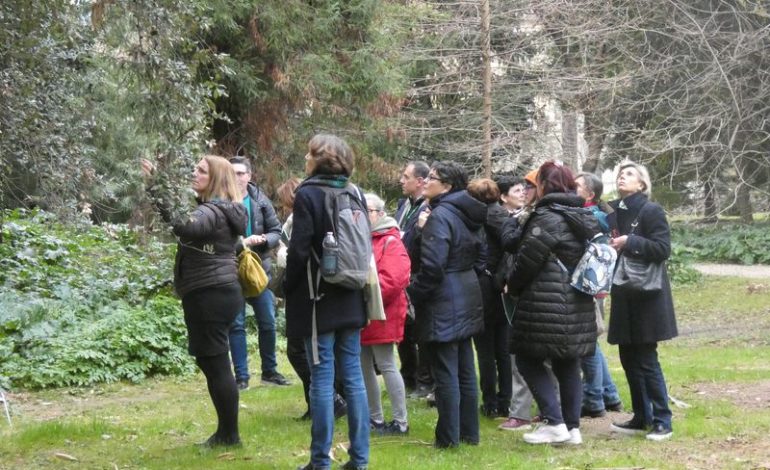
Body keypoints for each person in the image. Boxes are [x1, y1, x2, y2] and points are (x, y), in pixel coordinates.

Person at [141, 155, 246, 447]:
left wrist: (156, 187)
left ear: (215, 179)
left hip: (209, 294)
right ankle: (227, 432)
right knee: (212, 361)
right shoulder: (222, 210)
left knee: (216, 364)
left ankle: (229, 435)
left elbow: (184, 226)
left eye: (201, 170)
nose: (194, 173)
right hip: (218, 291)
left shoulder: (212, 211)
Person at [284, 134, 369, 470]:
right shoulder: (354, 191)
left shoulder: (308, 193)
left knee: (321, 378)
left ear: (319, 158)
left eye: (309, 152)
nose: (305, 156)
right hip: (351, 295)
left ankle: (320, 461)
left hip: (318, 298)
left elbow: (300, 249)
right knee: (353, 377)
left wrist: (286, 286)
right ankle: (359, 460)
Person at [506, 161, 599, 445]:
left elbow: (528, 261)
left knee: (527, 358)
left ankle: (554, 421)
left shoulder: (547, 216)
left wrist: (513, 285)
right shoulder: (580, 214)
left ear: (546, 185)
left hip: (545, 301)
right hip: (577, 301)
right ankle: (572, 428)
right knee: (567, 363)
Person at [406, 161, 485, 449]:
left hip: (444, 298)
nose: (425, 181)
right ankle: (468, 433)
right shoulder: (467, 213)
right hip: (466, 291)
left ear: (448, 186)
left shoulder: (441, 216)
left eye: (432, 178)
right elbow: (481, 257)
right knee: (464, 368)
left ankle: (448, 438)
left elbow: (433, 267)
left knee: (446, 372)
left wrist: (413, 292)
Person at [607, 161, 678, 442]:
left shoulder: (651, 210)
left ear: (642, 184)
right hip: (624, 292)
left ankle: (663, 420)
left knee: (646, 358)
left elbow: (663, 249)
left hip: (647, 295)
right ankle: (641, 416)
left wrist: (630, 241)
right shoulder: (613, 211)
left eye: (629, 175)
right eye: (620, 175)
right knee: (627, 357)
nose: (622, 178)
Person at [275, 177, 348, 422]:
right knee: (319, 353)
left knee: (304, 352)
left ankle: (329, 400)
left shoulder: (300, 218)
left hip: (307, 291)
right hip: (322, 291)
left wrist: (286, 277)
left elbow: (298, 254)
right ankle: (321, 402)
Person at [227, 156, 289, 389]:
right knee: (236, 323)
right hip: (230, 267)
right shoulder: (219, 200)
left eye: (241, 173)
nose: (237, 177)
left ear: (249, 176)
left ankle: (270, 372)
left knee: (268, 321)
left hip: (258, 268)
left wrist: (263, 240)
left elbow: (276, 231)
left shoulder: (260, 200)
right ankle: (241, 377)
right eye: (232, 173)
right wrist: (241, 242)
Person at [360, 193, 411, 435]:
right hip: (362, 313)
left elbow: (394, 279)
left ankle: (400, 422)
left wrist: (363, 294)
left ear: (380, 213)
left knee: (386, 364)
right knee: (363, 366)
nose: (361, 215)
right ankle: (375, 418)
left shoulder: (391, 240)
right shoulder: (362, 238)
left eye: (367, 210)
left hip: (383, 313)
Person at [574, 172, 623, 418]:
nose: (571, 189)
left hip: (587, 287)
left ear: (590, 194)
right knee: (590, 340)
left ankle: (594, 399)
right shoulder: (596, 216)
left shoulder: (588, 217)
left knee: (587, 343)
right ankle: (609, 394)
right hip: (596, 287)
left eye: (577, 186)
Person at [496, 172, 540, 432]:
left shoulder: (536, 218)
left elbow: (519, 252)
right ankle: (529, 412)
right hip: (522, 292)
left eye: (530, 187)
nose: (524, 191)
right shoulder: (522, 217)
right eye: (522, 187)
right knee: (521, 355)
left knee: (528, 356)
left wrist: (513, 282)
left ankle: (529, 413)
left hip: (531, 293)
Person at [466, 178, 511, 419]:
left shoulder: (484, 217)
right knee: (501, 348)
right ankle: (504, 400)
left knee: (486, 348)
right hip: (496, 285)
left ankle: (492, 401)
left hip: (486, 286)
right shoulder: (501, 215)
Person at [394, 161, 434, 398]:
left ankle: (424, 381)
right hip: (400, 274)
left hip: (417, 274)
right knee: (403, 329)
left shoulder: (428, 209)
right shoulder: (403, 206)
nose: (401, 180)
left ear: (420, 181)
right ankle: (408, 376)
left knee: (420, 329)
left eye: (406, 176)